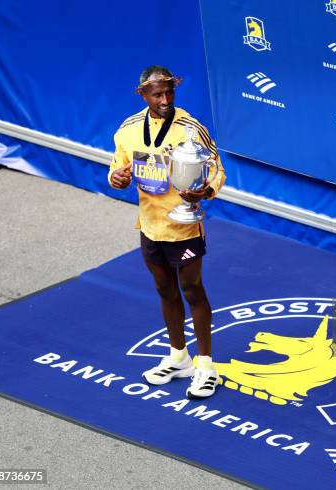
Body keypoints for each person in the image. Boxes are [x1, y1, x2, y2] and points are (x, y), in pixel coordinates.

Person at [108, 65, 226, 399]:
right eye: (157, 94)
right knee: (164, 289)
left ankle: (206, 367)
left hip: (184, 225)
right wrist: (116, 177)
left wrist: (204, 191)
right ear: (143, 95)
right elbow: (117, 167)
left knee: (192, 289)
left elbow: (216, 168)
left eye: (169, 92)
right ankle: (179, 357)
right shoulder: (128, 129)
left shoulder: (190, 128)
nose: (165, 99)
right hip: (149, 224)